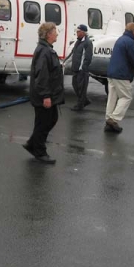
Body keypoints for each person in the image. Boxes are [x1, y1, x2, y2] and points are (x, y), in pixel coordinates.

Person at [23, 22, 65, 164]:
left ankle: (32, 143)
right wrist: (46, 96)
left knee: (50, 119)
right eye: (55, 31)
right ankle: (40, 152)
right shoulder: (44, 51)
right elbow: (42, 75)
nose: (57, 34)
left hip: (48, 94)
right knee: (44, 122)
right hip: (44, 96)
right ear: (48, 35)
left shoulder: (46, 49)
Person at [104, 22, 134, 133]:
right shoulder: (129, 42)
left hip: (111, 72)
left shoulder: (120, 40)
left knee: (112, 97)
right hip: (121, 74)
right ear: (133, 31)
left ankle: (109, 118)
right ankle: (114, 119)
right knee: (126, 97)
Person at [70, 24, 93, 111]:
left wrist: (83, 68)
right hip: (75, 69)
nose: (77, 33)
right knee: (75, 85)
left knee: (81, 88)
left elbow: (88, 57)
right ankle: (85, 100)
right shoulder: (78, 42)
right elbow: (73, 53)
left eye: (78, 31)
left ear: (83, 32)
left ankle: (80, 105)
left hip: (82, 70)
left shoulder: (88, 43)